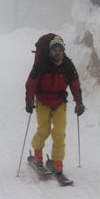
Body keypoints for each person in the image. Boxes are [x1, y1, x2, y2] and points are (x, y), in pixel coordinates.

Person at [24, 35, 85, 174]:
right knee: (43, 130)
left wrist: (79, 103)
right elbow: (31, 84)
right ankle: (37, 152)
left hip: (59, 102)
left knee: (59, 132)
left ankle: (58, 162)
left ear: (63, 51)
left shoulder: (67, 65)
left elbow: (75, 85)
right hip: (43, 101)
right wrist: (29, 102)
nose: (57, 52)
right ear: (50, 51)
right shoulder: (41, 64)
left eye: (60, 50)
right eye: (54, 50)